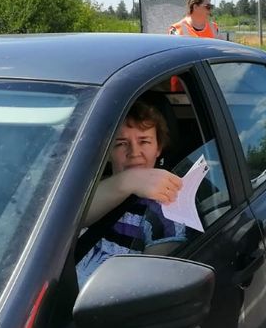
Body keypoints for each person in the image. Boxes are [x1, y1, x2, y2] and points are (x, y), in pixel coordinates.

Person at [77, 99, 186, 285]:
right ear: (107, 152)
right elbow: (70, 220)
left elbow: (148, 288)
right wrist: (128, 181)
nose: (134, 152)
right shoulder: (82, 188)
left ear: (158, 148)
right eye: (120, 144)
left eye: (144, 141)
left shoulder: (167, 209)